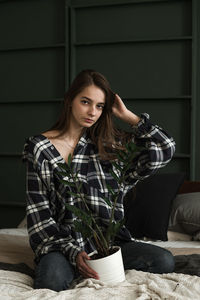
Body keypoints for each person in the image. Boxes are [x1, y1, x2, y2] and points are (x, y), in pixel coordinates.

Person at [23, 69, 176, 292]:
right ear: (69, 101)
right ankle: (75, 267)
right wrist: (74, 254)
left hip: (109, 245)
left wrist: (128, 116)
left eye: (99, 106)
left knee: (164, 260)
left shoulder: (108, 147)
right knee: (51, 280)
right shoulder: (39, 149)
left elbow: (165, 148)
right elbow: (39, 214)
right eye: (85, 102)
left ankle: (96, 268)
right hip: (63, 246)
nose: (92, 112)